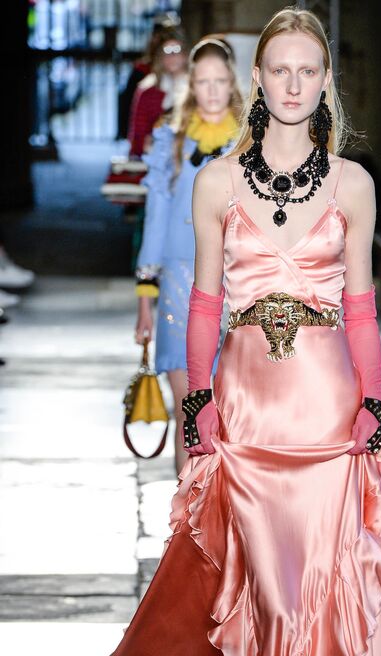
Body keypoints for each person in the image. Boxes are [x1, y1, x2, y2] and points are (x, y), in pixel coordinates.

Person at [28, 6, 381, 656]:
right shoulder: (215, 182)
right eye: (279, 69)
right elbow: (203, 304)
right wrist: (198, 403)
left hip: (325, 421)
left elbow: (360, 307)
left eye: (308, 70)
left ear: (325, 82)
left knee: (311, 614)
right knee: (260, 608)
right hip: (245, 416)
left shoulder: (352, 185)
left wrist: (374, 406)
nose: (293, 84)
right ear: (257, 79)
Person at [134, 37, 242, 472]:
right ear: (191, 85)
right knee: (189, 410)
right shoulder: (171, 141)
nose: (212, 91)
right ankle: (187, 509)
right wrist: (145, 299)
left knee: (232, 415)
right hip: (179, 284)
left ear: (232, 83)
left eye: (220, 81)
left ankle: (221, 507)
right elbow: (156, 219)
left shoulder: (251, 141)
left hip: (238, 284)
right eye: (203, 82)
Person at [127, 26, 189, 159]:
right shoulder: (147, 91)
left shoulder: (197, 87)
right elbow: (138, 136)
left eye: (176, 50)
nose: (172, 56)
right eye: (167, 51)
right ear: (160, 56)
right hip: (156, 155)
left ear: (185, 54)